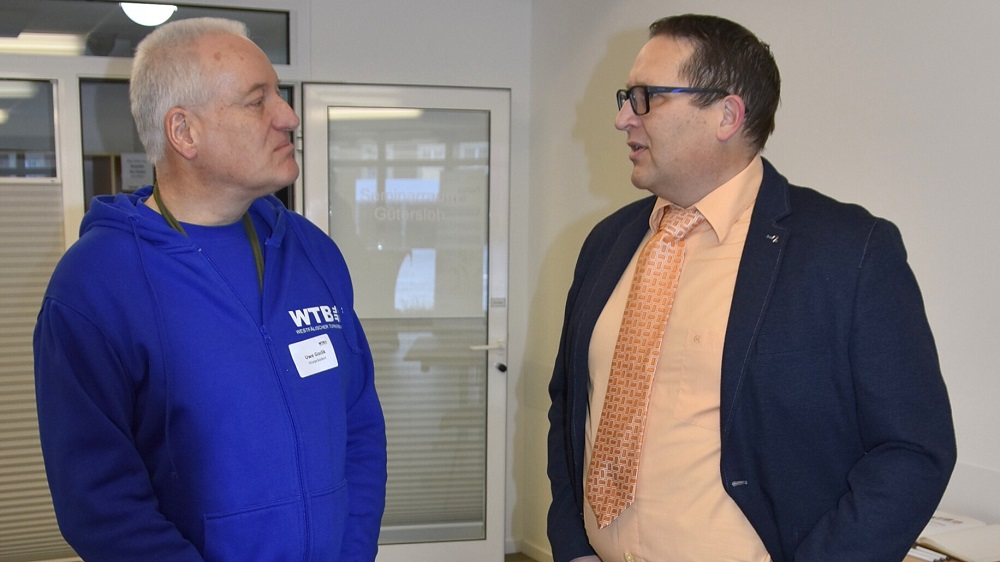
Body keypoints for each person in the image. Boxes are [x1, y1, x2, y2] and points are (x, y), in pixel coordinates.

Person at [546, 13, 956, 562]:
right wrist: (575, 546)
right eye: (626, 98)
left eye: (646, 98)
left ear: (726, 115)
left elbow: (913, 449)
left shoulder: (847, 253)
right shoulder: (607, 243)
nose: (623, 118)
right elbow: (569, 404)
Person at [33, 17, 386, 561]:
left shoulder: (310, 252)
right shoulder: (95, 284)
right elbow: (100, 501)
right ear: (184, 132)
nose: (289, 116)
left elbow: (358, 424)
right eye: (257, 101)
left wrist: (353, 552)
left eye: (279, 96)